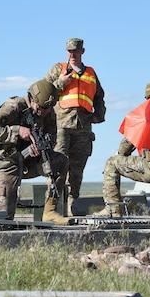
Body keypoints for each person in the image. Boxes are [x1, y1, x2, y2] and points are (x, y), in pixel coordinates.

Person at [0, 80, 72, 225]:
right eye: (42, 107)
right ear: (32, 100)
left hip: (28, 162)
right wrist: (17, 131)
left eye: (49, 108)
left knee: (61, 161)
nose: (46, 111)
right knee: (2, 220)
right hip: (5, 162)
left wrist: (40, 147)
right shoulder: (14, 107)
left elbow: (53, 138)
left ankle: (49, 212)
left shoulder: (49, 112)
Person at [92, 81, 150, 217]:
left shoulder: (143, 117)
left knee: (112, 163)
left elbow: (125, 149)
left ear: (148, 97)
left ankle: (114, 209)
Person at [44, 38, 106, 216]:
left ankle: (72, 203)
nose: (72, 54)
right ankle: (53, 205)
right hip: (61, 125)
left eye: (75, 51)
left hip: (83, 126)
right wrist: (60, 83)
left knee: (77, 168)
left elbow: (99, 96)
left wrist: (99, 115)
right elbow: (42, 92)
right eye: (69, 51)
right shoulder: (58, 69)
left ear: (82, 51)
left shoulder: (91, 73)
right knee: (57, 164)